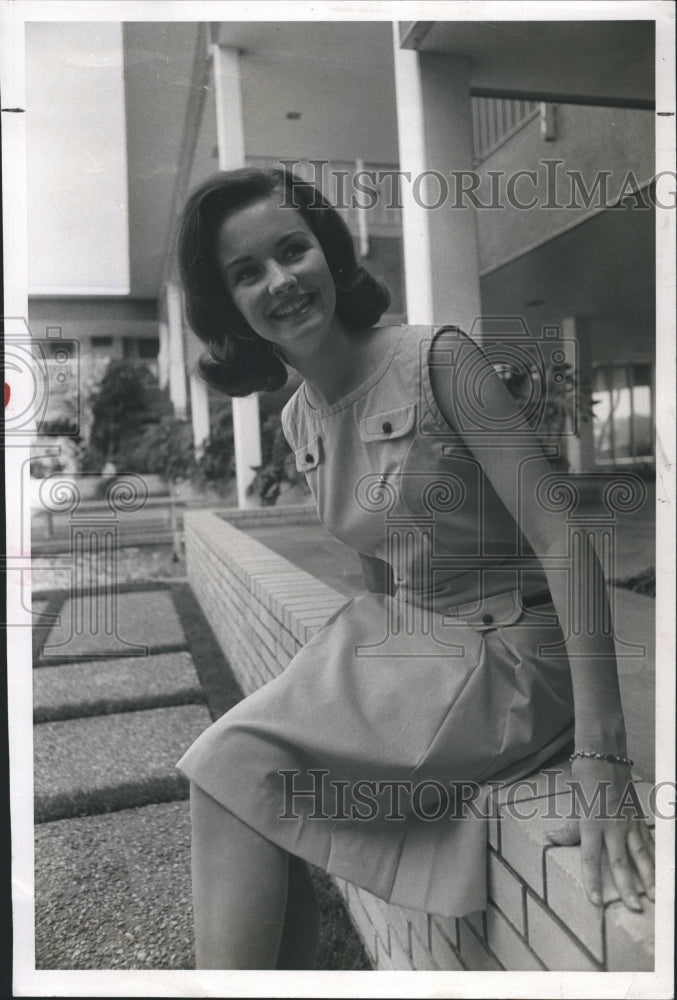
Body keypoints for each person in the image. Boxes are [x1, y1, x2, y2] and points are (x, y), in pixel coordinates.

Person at [175, 166, 655, 970]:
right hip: (423, 659)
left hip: (512, 663)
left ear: (328, 251)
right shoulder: (299, 418)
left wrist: (602, 757)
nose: (280, 281)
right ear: (226, 308)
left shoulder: (438, 360)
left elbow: (562, 538)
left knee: (231, 762)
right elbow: (382, 583)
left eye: (292, 250)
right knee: (248, 786)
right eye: (247, 273)